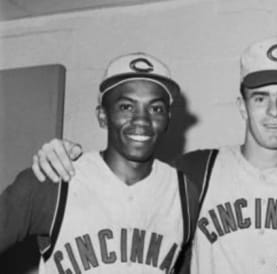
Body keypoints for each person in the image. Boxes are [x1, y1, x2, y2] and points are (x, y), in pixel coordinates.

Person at [30, 37, 277, 273]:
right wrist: (61, 156)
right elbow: (119, 194)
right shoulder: (195, 171)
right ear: (242, 106)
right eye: (261, 98)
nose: (275, 112)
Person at [0, 52, 200, 273]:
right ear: (102, 116)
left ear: (168, 119)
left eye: (156, 109)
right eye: (126, 106)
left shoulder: (185, 194)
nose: (142, 120)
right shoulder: (55, 180)